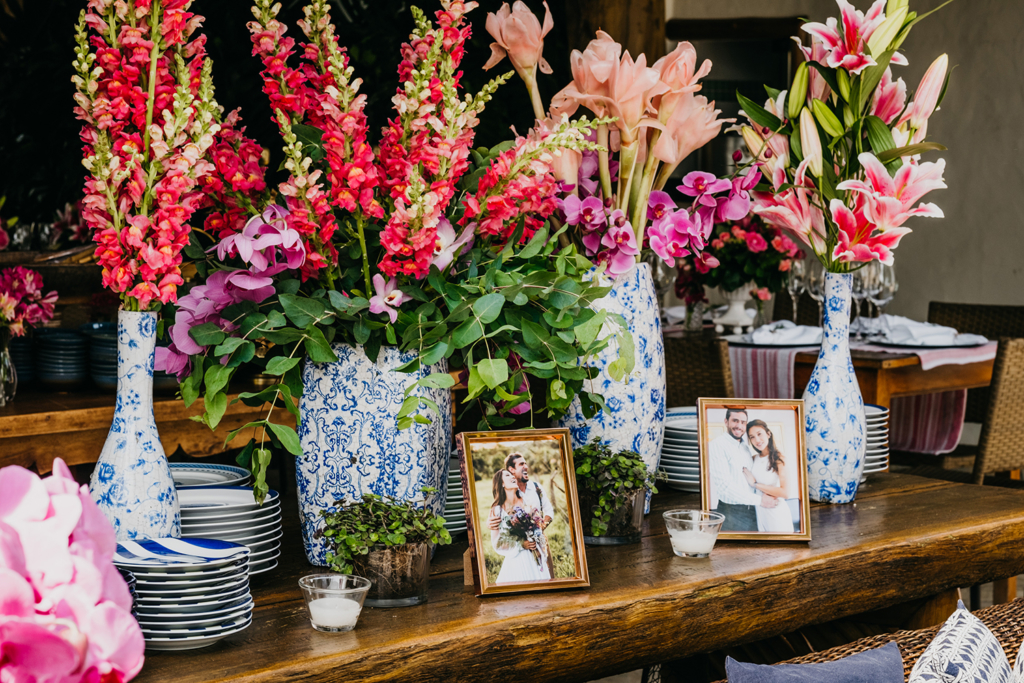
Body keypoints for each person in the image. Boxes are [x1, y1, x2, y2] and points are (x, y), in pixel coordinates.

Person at [707, 408, 778, 532]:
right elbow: (724, 487)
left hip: (754, 510)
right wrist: (760, 501)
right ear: (726, 421)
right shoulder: (717, 445)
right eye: (735, 421)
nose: (739, 426)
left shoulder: (746, 446)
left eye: (743, 422)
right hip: (732, 513)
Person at [489, 452, 556, 576]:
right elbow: (499, 535)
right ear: (512, 469)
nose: (526, 466)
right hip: (520, 554)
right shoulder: (502, 503)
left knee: (549, 578)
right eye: (521, 464)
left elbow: (549, 511)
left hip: (540, 542)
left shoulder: (536, 488)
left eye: (525, 463)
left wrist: (540, 527)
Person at [742, 420, 795, 533]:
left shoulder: (779, 459)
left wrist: (755, 484)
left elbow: (785, 493)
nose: (757, 440)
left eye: (759, 434)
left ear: (768, 434)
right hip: (760, 512)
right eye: (752, 437)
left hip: (776, 512)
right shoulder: (753, 459)